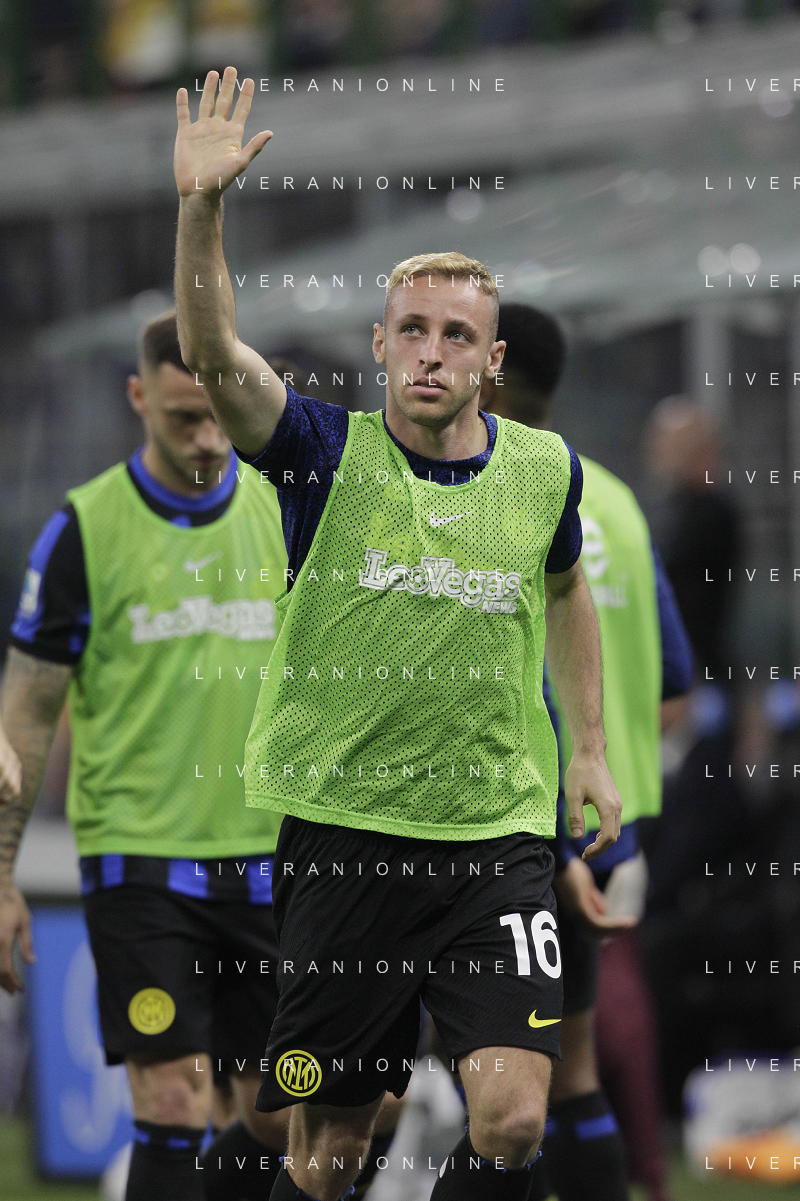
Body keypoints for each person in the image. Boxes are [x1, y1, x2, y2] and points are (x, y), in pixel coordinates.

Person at [172, 66, 622, 1201]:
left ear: (491, 362)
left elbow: (567, 587)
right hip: (345, 838)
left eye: (456, 335)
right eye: (410, 329)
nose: (431, 351)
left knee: (513, 1118)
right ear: (378, 345)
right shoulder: (322, 454)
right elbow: (216, 356)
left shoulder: (545, 470)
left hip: (493, 842)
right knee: (329, 1153)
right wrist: (201, 209)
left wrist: (587, 747)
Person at [0, 311, 292, 1201]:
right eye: (181, 417)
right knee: (172, 1100)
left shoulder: (290, 508)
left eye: (216, 414)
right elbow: (27, 713)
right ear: (138, 397)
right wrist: (1, 871)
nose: (205, 436)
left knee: (280, 1115)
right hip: (142, 863)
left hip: (274, 858)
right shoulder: (85, 530)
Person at [481, 304, 693, 1201]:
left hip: (524, 822)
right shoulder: (613, 499)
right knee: (567, 1067)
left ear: (490, 371)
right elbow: (675, 679)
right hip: (619, 821)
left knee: (498, 1081)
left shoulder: (490, 492)